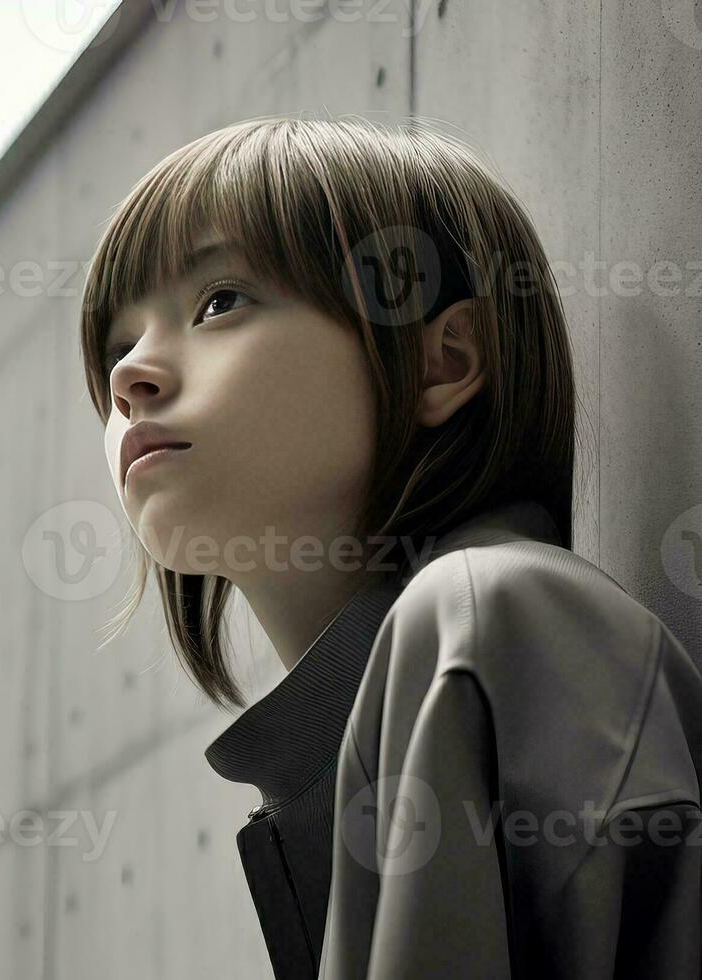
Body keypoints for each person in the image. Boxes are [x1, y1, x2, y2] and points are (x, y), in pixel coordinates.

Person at [77, 114, 702, 978]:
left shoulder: (490, 617)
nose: (127, 376)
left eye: (219, 300)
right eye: (116, 345)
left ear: (441, 363)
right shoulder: (371, 727)